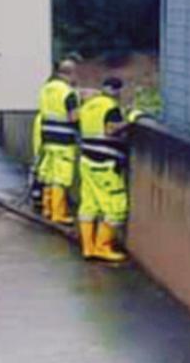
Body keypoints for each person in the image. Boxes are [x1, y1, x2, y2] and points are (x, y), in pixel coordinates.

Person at [77, 76, 132, 262]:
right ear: (117, 91)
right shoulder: (111, 107)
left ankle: (88, 248)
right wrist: (131, 121)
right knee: (116, 207)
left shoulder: (88, 106)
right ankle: (102, 248)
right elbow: (110, 130)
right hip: (105, 164)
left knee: (89, 205)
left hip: (87, 161)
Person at [33, 59, 80, 224]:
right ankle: (58, 214)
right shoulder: (68, 93)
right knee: (61, 179)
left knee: (48, 175)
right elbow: (74, 117)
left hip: (47, 139)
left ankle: (47, 209)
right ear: (71, 73)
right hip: (64, 142)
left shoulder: (46, 89)